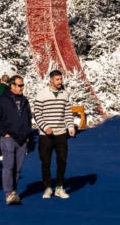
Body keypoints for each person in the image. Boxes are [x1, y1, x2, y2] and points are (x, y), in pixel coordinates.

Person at [0, 75, 32, 205]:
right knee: (9, 166)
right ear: (12, 86)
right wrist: (4, 132)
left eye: (23, 85)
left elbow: (28, 117)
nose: (22, 87)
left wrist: (27, 132)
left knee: (18, 168)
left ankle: (13, 191)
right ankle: (9, 193)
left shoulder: (24, 100)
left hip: (22, 139)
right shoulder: (2, 100)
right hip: (8, 138)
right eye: (20, 85)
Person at [34, 70, 76, 199]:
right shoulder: (41, 94)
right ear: (51, 80)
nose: (60, 82)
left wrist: (70, 126)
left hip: (61, 133)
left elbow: (67, 112)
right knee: (46, 162)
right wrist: (45, 127)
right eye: (57, 79)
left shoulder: (64, 94)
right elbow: (37, 114)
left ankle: (59, 187)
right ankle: (47, 188)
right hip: (45, 135)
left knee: (62, 161)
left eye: (61, 79)